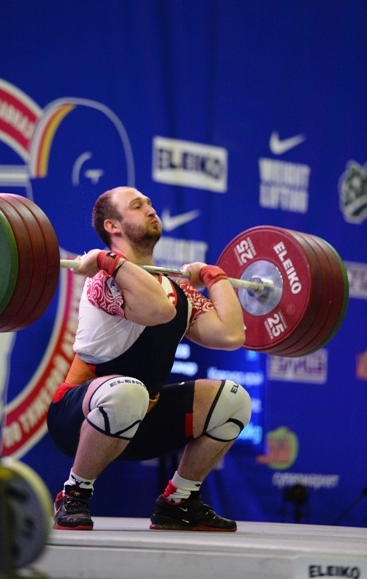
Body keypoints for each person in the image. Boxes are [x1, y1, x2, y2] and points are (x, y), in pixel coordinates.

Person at [47, 186, 251, 532]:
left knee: (234, 401)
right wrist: (108, 261)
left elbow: (231, 335)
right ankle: (73, 494)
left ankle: (178, 502)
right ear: (113, 226)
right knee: (129, 391)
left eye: (151, 204)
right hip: (76, 418)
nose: (151, 210)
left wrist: (213, 276)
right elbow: (158, 310)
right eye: (138, 206)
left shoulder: (176, 288)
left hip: (142, 420)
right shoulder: (103, 281)